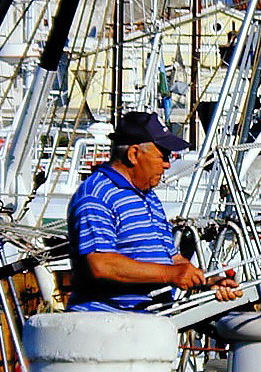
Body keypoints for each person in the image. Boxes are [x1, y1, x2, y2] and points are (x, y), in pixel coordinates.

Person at [67, 110, 242, 312]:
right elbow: (100, 264)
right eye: (163, 155)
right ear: (133, 154)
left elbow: (173, 259)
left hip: (147, 322)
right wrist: (170, 275)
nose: (168, 164)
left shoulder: (148, 196)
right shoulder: (96, 195)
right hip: (107, 322)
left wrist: (208, 281)